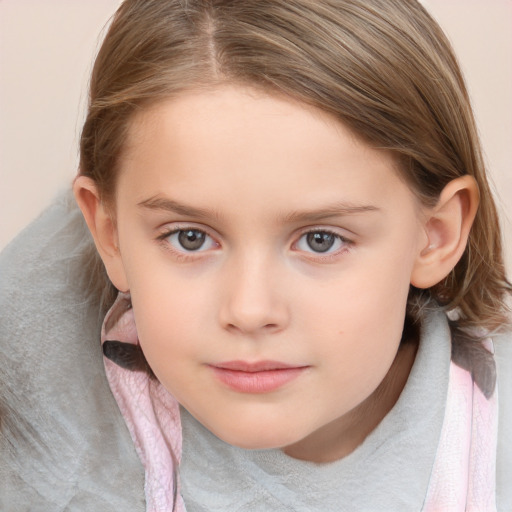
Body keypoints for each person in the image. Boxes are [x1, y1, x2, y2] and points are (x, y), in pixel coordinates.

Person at [1, 0, 510, 510]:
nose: (249, 310)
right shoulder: (46, 405)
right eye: (190, 238)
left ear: (436, 234)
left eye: (321, 240)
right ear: (109, 234)